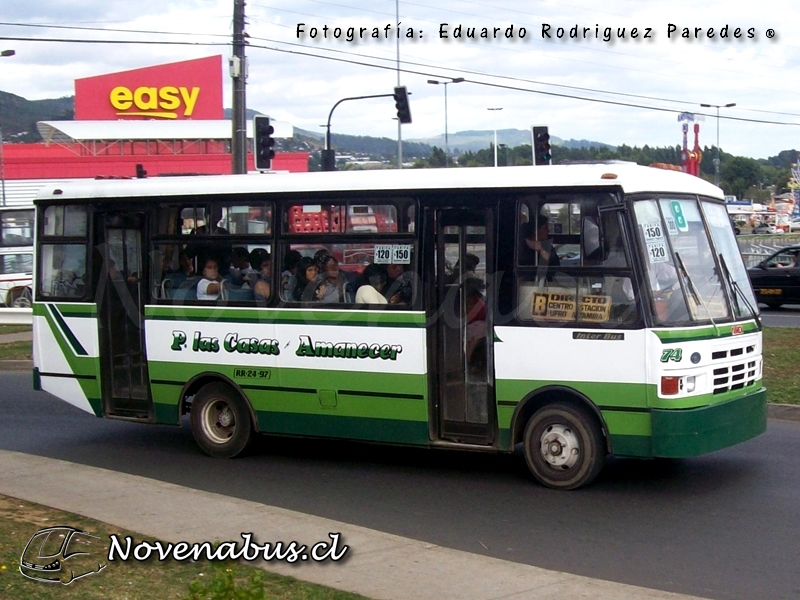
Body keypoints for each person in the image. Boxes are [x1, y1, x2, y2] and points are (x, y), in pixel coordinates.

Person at [519, 217, 560, 281]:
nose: (548, 231)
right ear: (536, 231)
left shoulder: (547, 247)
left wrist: (541, 250)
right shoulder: (522, 247)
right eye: (545, 228)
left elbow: (556, 266)